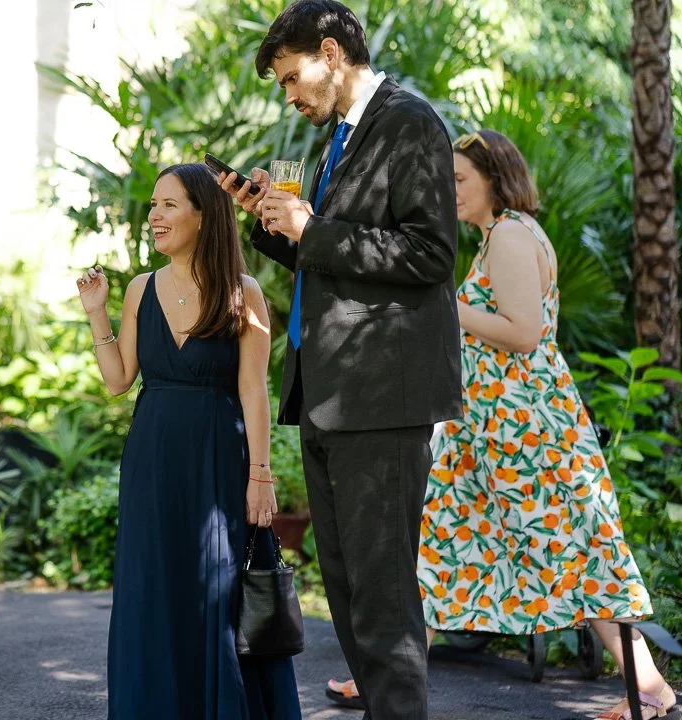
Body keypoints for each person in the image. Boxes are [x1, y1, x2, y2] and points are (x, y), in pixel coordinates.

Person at [327, 129, 679, 720]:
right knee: (436, 549)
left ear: (496, 179)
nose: (449, 190)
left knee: (577, 556)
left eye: (459, 179)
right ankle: (386, 681)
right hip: (488, 432)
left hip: (527, 435)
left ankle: (652, 691)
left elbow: (523, 333)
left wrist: (442, 304)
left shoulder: (513, 236)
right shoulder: (496, 238)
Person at [217, 2, 463, 718]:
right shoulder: (341, 142)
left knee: (382, 602)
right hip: (329, 397)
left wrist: (314, 228)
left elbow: (429, 254)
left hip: (382, 400)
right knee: (352, 597)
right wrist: (274, 221)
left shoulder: (409, 123)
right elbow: (332, 260)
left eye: (293, 78)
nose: (289, 97)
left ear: (330, 51)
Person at [76, 163, 302, 719]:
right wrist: (96, 313)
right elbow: (117, 379)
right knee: (152, 591)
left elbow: (254, 391)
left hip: (218, 463)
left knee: (217, 595)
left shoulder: (242, 293)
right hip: (152, 461)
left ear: (204, 215)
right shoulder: (139, 289)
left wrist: (261, 476)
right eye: (153, 205)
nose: (154, 215)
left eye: (168, 204)